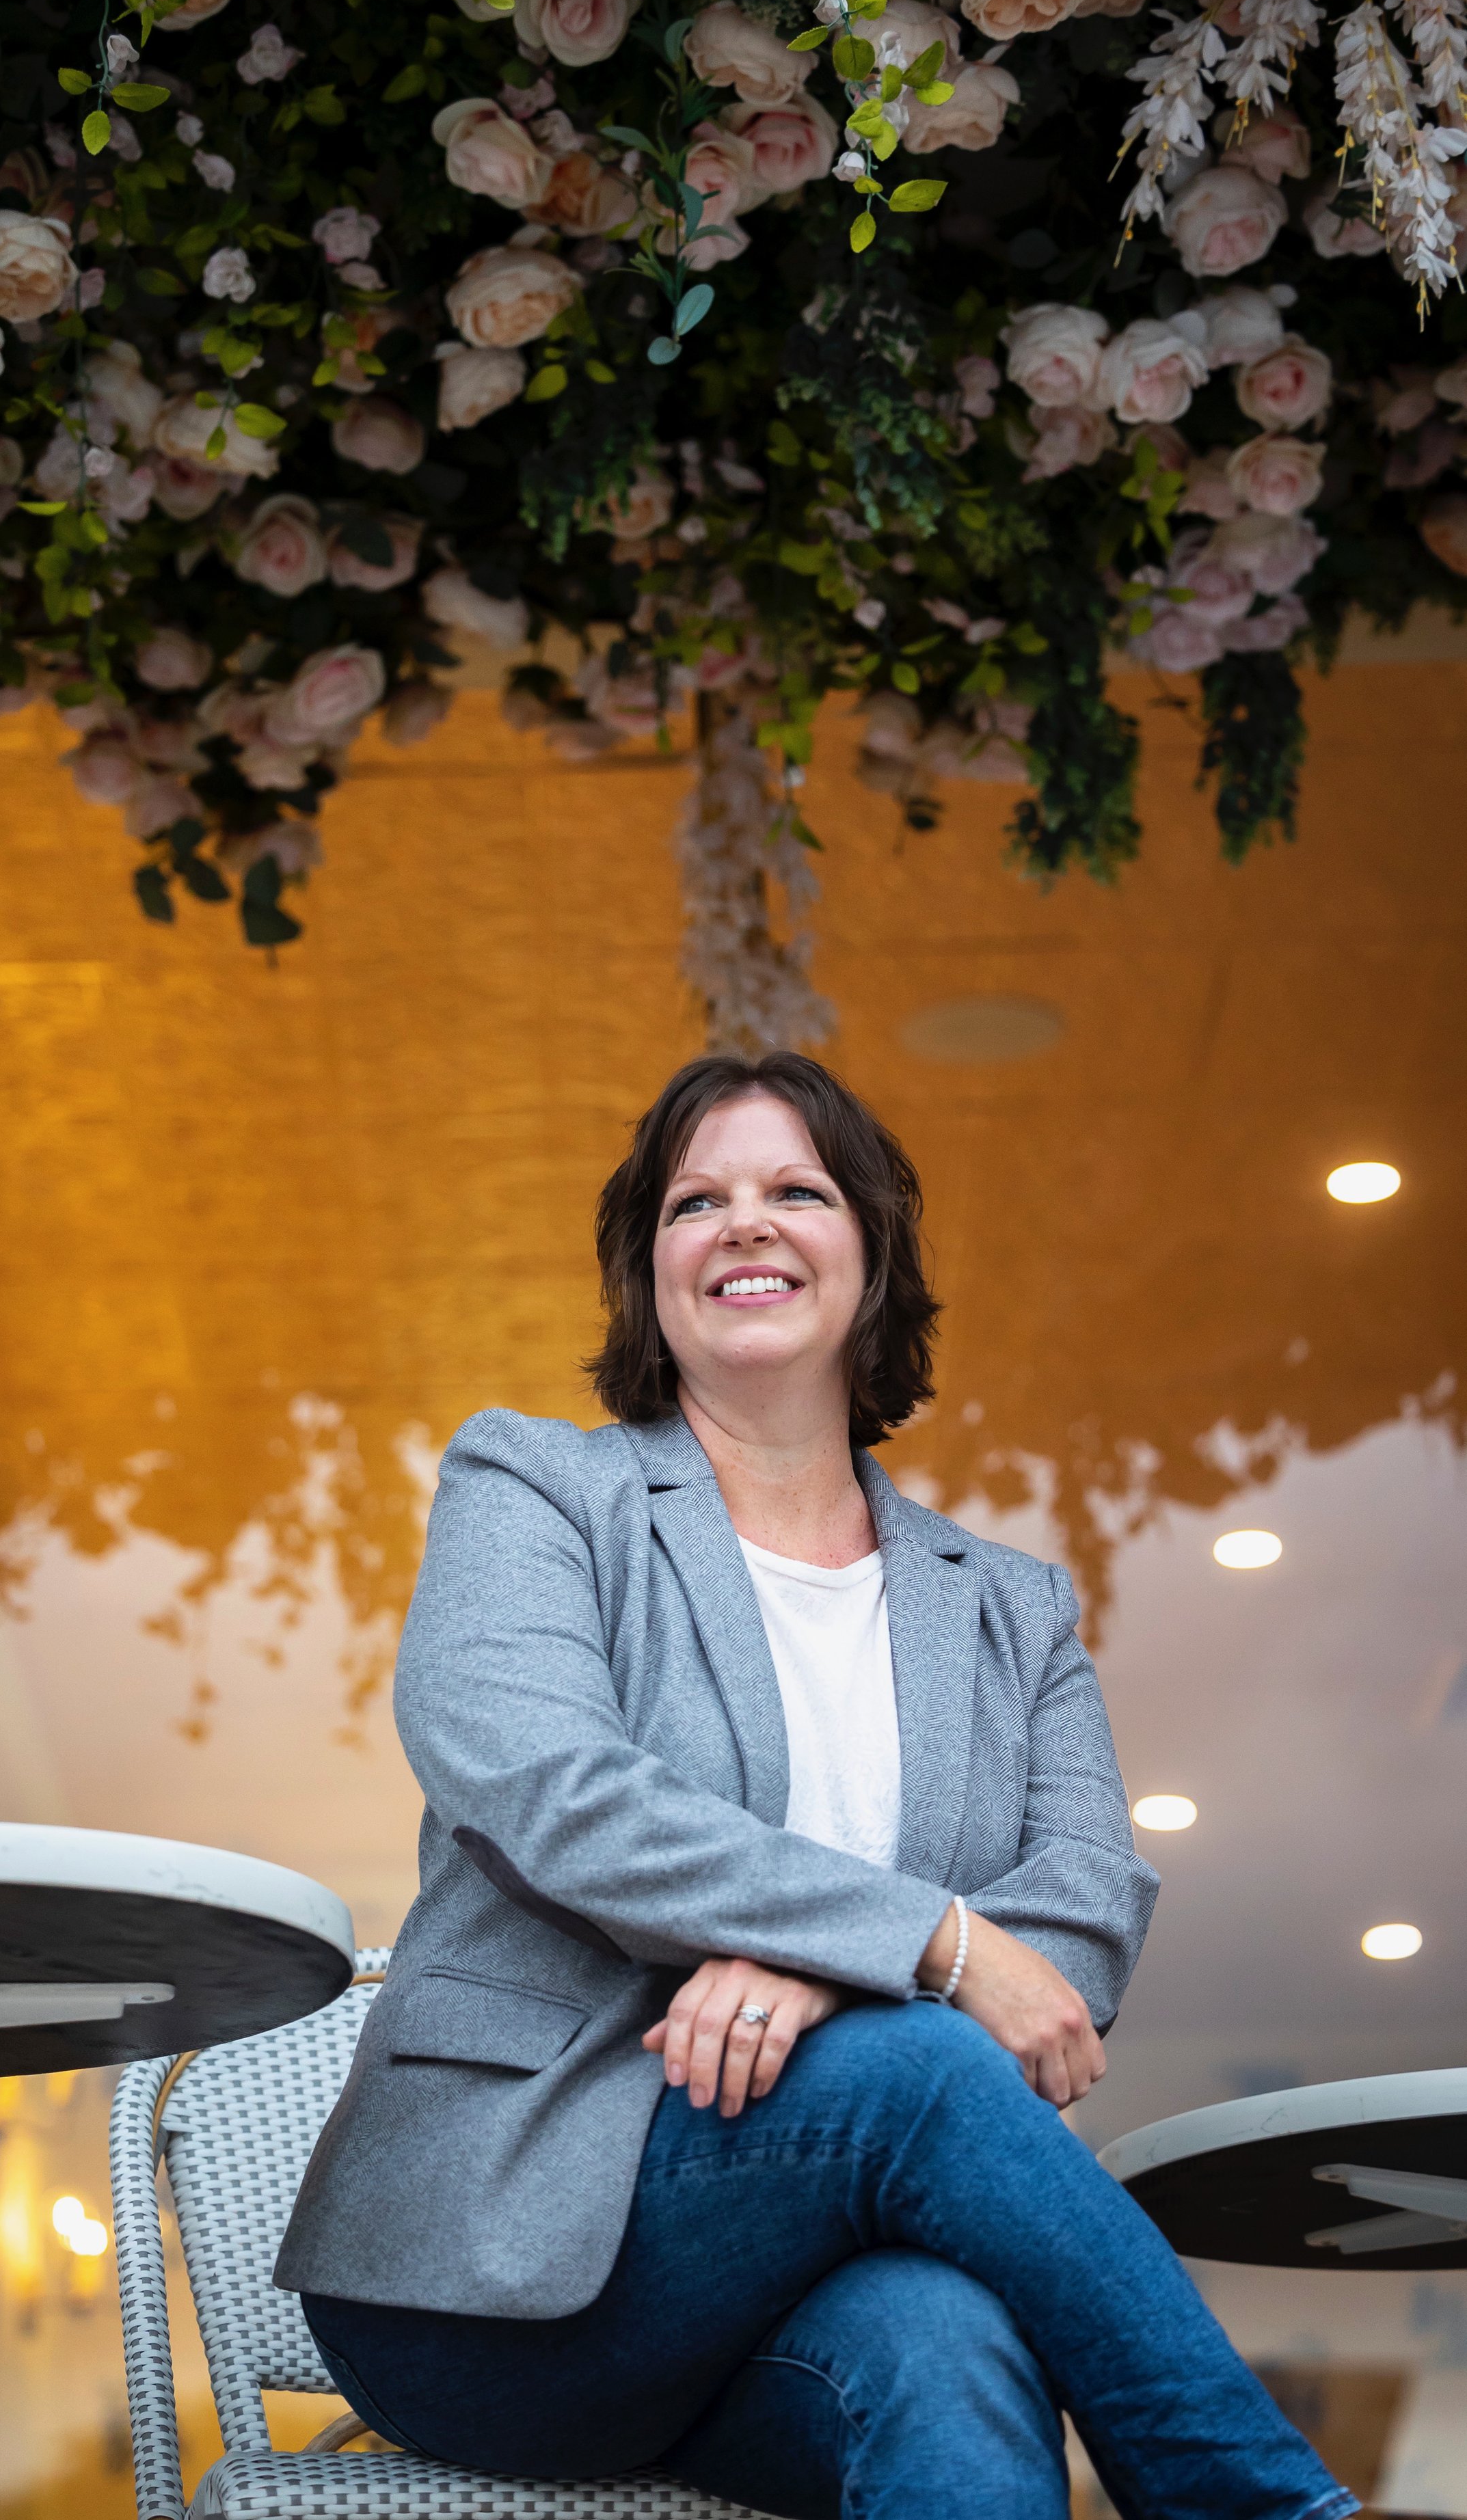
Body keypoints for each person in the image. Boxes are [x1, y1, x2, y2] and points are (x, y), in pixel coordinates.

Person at [275, 1051, 1356, 2520]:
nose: (744, 1224)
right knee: (917, 2065)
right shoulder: (533, 1489)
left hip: (788, 2308)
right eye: (693, 1202)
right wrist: (926, 1949)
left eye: (797, 1190)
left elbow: (1084, 1910)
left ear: (873, 1257)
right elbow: (551, 1789)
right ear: (646, 1267)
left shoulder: (1007, 1608)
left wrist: (826, 1973)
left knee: (949, 2335)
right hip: (491, 2277)